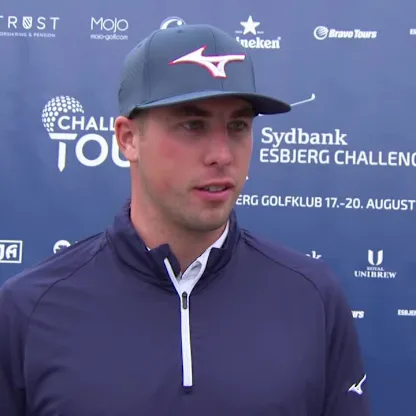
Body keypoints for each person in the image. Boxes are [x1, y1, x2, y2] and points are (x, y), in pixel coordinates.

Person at [0, 23, 370, 416]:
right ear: (128, 138)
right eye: (193, 125)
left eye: (238, 126)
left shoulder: (312, 296)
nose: (221, 155)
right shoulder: (29, 309)